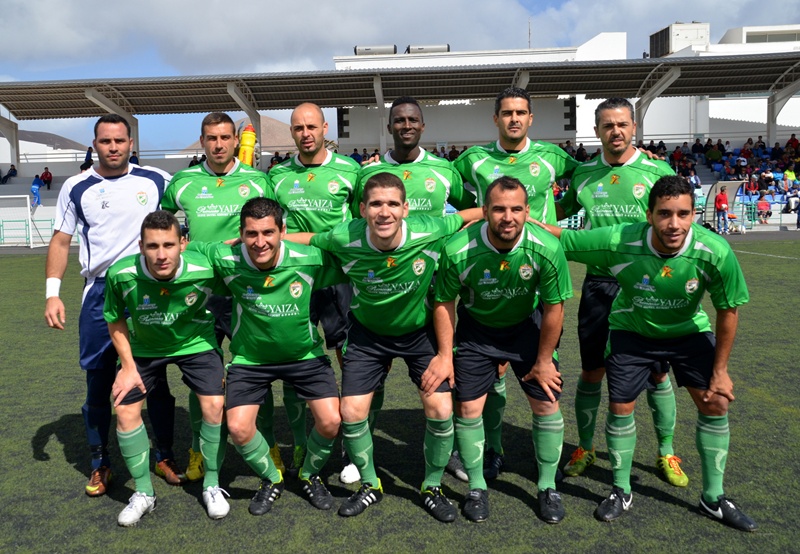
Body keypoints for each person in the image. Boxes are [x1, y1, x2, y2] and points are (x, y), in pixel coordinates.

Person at [538, 175, 757, 532]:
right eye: (664, 214)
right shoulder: (620, 239)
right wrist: (516, 220)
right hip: (632, 331)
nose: (674, 224)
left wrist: (720, 371)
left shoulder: (715, 251)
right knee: (621, 406)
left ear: (694, 214)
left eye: (683, 214)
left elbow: (728, 310)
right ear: (649, 214)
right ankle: (621, 490)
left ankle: (713, 497)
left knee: (716, 402)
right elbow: (563, 238)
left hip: (688, 331)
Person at [289, 172, 482, 521]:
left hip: (419, 333)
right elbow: (309, 238)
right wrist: (267, 239)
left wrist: (501, 212)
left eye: (393, 204)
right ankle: (370, 484)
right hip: (368, 336)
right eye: (376, 204)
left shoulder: (429, 229)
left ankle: (432, 486)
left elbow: (468, 215)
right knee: (351, 413)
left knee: (441, 409)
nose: (384, 212)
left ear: (405, 208)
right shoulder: (344, 236)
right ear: (362, 209)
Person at [44, 114, 179, 498]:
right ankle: (100, 461)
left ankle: (165, 454)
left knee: (155, 378)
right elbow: (60, 240)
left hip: (148, 289)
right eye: (106, 141)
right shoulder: (76, 186)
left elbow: (191, 212)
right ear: (95, 145)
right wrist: (52, 292)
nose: (114, 147)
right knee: (98, 381)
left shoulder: (156, 180)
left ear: (131, 144)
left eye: (120, 140)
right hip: (100, 291)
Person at [555, 98, 687, 486]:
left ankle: (666, 451)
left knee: (657, 374)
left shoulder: (657, 170)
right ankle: (585, 447)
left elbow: (676, 218)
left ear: (634, 128)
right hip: (600, 283)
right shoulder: (583, 174)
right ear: (596, 131)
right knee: (592, 371)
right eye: (608, 125)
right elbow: (559, 211)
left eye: (623, 124)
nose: (616, 131)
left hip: (647, 285)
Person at [453, 86, 578, 480]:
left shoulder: (553, 157)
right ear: (496, 118)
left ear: (530, 118)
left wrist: (555, 219)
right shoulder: (473, 159)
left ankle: (544, 468)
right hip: (489, 275)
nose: (514, 119)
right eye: (507, 113)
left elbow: (593, 177)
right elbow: (445, 186)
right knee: (493, 374)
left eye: (521, 113)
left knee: (543, 374)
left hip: (537, 284)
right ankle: (494, 449)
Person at [192, 197, 344, 516]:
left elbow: (351, 254)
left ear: (282, 231)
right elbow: (189, 249)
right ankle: (272, 479)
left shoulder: (309, 259)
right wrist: (228, 244)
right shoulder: (227, 258)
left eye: (268, 233)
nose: (260, 242)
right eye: (251, 234)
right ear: (241, 234)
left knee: (331, 421)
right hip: (251, 360)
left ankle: (309, 475)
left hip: (304, 355)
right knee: (239, 428)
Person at [434, 176, 572, 523]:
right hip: (477, 331)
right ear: (484, 211)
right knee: (468, 408)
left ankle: (547, 486)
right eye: (498, 209)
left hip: (527, 327)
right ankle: (476, 487)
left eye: (515, 209)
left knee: (546, 400)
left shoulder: (546, 247)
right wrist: (446, 356)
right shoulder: (458, 248)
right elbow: (444, 302)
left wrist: (544, 360)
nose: (507, 217)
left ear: (527, 211)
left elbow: (555, 308)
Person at [162, 112, 273, 482]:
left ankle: (270, 445)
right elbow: (163, 223)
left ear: (235, 140)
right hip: (200, 294)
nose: (219, 144)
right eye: (212, 138)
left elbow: (274, 228)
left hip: (247, 291)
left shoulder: (258, 180)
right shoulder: (183, 182)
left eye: (226, 137)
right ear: (203, 141)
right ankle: (199, 450)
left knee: (256, 370)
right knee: (202, 378)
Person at [104, 211, 229, 525]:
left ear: (183, 243)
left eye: (169, 245)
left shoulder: (206, 268)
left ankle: (212, 483)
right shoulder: (121, 274)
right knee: (125, 410)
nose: (161, 255)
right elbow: (114, 319)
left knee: (214, 405)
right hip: (143, 348)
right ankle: (143, 493)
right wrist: (127, 367)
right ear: (141, 246)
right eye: (153, 246)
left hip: (196, 343)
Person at [268, 102, 361, 477]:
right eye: (298, 128)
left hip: (339, 279)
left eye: (311, 126)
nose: (305, 133)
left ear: (325, 129)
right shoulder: (277, 175)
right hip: (294, 282)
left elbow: (361, 224)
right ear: (291, 133)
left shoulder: (350, 171)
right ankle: (300, 442)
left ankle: (353, 445)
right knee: (296, 359)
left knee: (349, 359)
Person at [356, 97, 472, 218]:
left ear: (422, 127)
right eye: (399, 120)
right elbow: (355, 219)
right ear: (389, 128)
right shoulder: (368, 172)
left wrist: (452, 226)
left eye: (413, 120)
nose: (407, 126)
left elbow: (473, 211)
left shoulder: (444, 169)